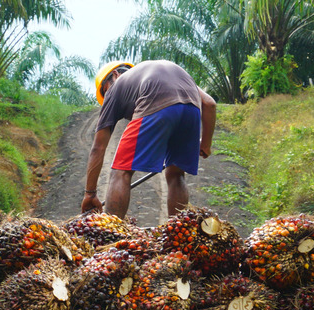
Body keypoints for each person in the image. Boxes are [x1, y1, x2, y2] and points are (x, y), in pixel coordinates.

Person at [81, 60, 217, 219]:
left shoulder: (116, 87)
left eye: (105, 91)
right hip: (191, 108)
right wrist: (206, 144)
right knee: (175, 173)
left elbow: (98, 147)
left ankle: (112, 234)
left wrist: (90, 194)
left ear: (115, 74)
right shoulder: (159, 72)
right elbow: (209, 104)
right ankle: (177, 235)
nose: (107, 96)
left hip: (155, 100)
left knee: (121, 171)